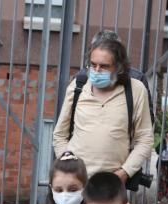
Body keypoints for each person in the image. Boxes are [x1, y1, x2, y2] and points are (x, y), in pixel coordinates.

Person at [52, 30, 153, 187]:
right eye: (93, 65)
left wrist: (124, 173)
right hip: (75, 182)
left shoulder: (136, 90)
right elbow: (59, 135)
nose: (97, 70)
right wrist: (68, 167)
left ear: (119, 67)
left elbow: (145, 139)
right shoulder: (78, 85)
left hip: (112, 184)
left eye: (104, 66)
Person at [157, 131, 168, 202]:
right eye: (167, 136)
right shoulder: (162, 143)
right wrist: (164, 145)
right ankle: (159, 197)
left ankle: (167, 195)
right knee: (161, 180)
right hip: (162, 164)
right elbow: (157, 150)